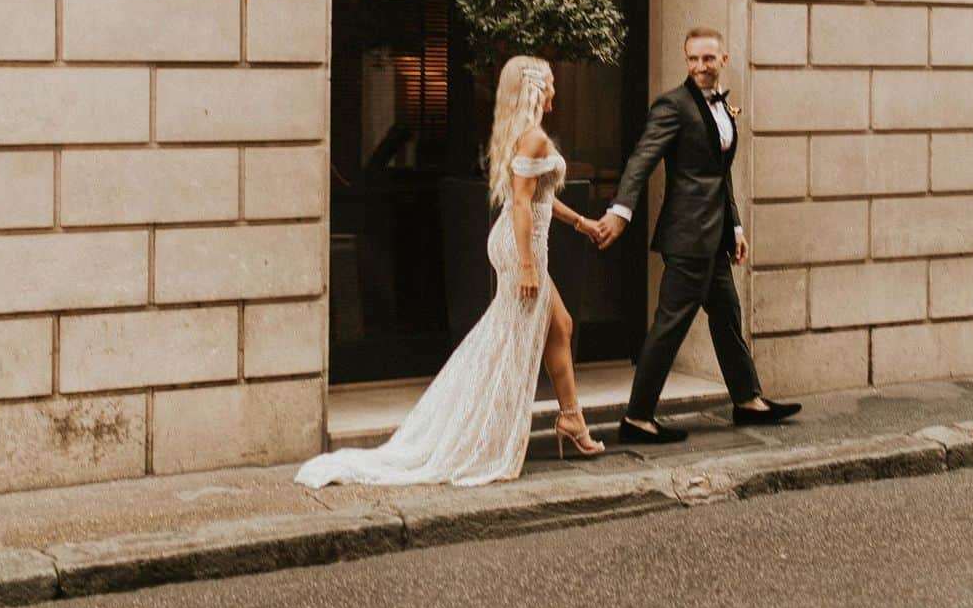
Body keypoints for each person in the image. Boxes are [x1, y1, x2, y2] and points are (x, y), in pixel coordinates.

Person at [295, 56, 605, 488]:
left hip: (525, 243)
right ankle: (479, 430)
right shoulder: (532, 138)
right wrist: (529, 267)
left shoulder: (528, 136)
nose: (555, 90)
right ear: (535, 89)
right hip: (523, 248)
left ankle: (572, 419)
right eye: (550, 83)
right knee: (502, 344)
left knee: (561, 326)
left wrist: (581, 223)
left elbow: (540, 197)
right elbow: (519, 204)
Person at [595, 27, 801, 444]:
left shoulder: (722, 107)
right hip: (687, 238)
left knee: (727, 318)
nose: (700, 67)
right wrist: (621, 210)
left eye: (708, 59)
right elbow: (642, 159)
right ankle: (637, 418)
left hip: (715, 236)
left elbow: (718, 174)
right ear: (686, 61)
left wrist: (736, 225)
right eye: (693, 59)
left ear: (723, 60)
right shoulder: (672, 106)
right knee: (669, 326)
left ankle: (748, 401)